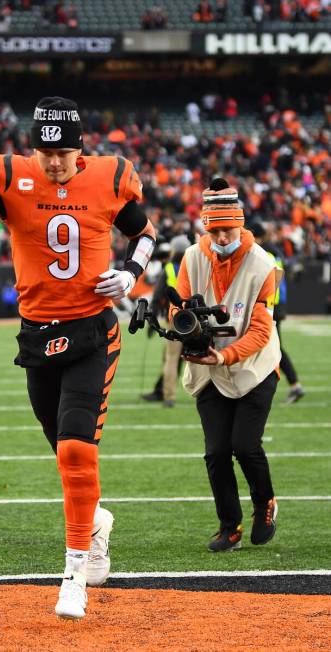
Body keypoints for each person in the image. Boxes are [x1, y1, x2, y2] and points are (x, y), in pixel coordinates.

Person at [0, 97, 156, 620]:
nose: (55, 161)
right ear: (35, 148)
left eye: (65, 151)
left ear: (81, 148)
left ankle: (73, 574)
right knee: (61, 449)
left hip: (92, 332)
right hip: (37, 338)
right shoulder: (11, 176)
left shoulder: (110, 176)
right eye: (46, 150)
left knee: (77, 450)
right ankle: (94, 522)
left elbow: (143, 232)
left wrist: (131, 272)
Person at [173, 178, 281, 552]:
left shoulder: (264, 263)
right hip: (208, 371)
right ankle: (229, 526)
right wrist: (183, 327)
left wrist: (224, 354)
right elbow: (179, 306)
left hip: (255, 368)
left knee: (245, 446)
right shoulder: (190, 257)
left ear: (241, 223)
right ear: (205, 226)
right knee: (217, 451)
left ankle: (264, 503)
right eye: (214, 230)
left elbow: (261, 330)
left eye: (228, 229)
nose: (221, 237)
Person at [251, 221, 305, 404]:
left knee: (273, 348)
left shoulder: (262, 252)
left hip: (269, 306)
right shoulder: (273, 251)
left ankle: (294, 384)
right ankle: (291, 384)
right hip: (276, 304)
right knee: (271, 346)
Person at [142, 234, 191, 407]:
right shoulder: (195, 265)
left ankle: (168, 396)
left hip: (175, 318)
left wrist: (151, 320)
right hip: (195, 318)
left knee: (171, 358)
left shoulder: (169, 268)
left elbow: (156, 298)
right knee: (202, 357)